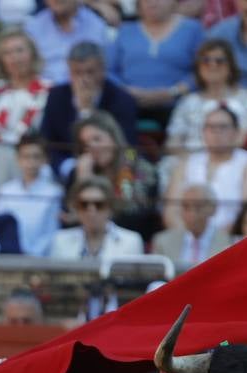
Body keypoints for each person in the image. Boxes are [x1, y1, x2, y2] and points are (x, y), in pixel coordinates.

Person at [39, 41, 139, 176]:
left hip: (112, 171)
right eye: (77, 73)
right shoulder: (57, 96)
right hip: (66, 170)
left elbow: (130, 147)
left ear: (103, 70)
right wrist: (69, 169)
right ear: (69, 71)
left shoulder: (122, 100)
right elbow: (46, 141)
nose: (84, 79)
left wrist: (126, 172)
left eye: (90, 72)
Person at [164, 105, 247, 231]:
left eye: (223, 127)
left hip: (231, 242)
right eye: (210, 127)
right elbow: (171, 212)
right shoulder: (186, 164)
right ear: (203, 132)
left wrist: (212, 242)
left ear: (237, 132)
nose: (216, 132)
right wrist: (190, 240)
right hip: (186, 242)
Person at [164, 39, 247, 161]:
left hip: (233, 161)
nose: (212, 65)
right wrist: (194, 164)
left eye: (219, 61)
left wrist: (214, 160)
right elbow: (173, 142)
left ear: (231, 66)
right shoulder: (188, 102)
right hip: (190, 162)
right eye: (206, 61)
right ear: (198, 67)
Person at [66, 111, 160, 239]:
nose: (91, 147)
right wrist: (84, 182)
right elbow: (70, 219)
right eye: (85, 144)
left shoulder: (138, 166)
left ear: (114, 138)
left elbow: (134, 217)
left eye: (97, 139)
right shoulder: (79, 172)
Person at [108, 0, 204, 119]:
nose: (152, 2)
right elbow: (109, 71)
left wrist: (173, 92)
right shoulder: (125, 31)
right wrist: (125, 91)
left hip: (179, 106)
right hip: (129, 104)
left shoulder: (193, 29)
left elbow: (203, 69)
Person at [0, 131, 62, 256]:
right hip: (8, 255)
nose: (31, 162)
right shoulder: (6, 190)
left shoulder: (54, 193)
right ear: (18, 159)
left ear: (44, 160)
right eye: (26, 157)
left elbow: (51, 232)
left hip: (40, 259)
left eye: (36, 157)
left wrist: (33, 254)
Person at [0, 28, 51, 147]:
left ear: (32, 54)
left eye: (19, 50)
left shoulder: (49, 90)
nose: (14, 57)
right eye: (7, 53)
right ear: (1, 60)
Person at [48, 176, 144, 259]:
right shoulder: (60, 241)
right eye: (84, 205)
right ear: (76, 208)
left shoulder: (131, 241)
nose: (91, 211)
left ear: (110, 207)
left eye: (99, 205)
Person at [24, 0, 109, 84]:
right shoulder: (34, 27)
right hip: (45, 90)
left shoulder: (96, 24)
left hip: (85, 87)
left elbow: (104, 68)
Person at [153, 183, 233, 265]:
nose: (192, 213)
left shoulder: (228, 244)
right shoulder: (163, 242)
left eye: (198, 207)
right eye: (186, 206)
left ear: (213, 209)